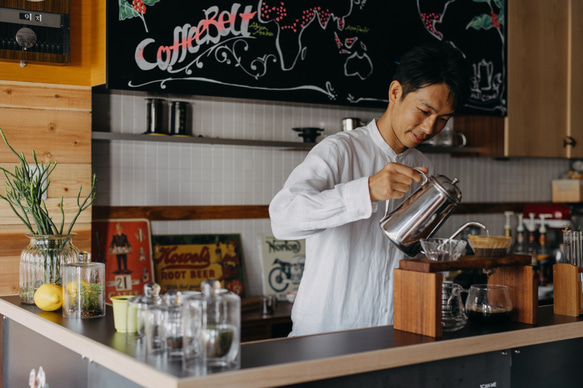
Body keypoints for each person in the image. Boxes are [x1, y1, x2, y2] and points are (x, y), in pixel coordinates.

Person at [269, 41, 471, 336]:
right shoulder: (340, 150)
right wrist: (366, 191)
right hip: (325, 335)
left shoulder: (423, 166)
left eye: (442, 119)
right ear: (395, 92)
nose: (429, 128)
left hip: (391, 331)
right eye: (424, 111)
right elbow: (283, 218)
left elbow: (410, 254)